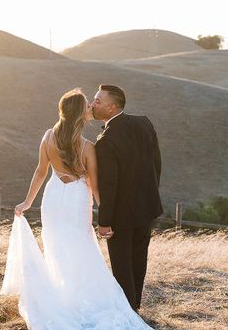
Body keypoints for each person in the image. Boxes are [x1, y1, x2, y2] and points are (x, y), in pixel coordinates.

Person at [0, 88, 151, 329]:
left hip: (53, 198)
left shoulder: (48, 136)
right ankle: (79, 295)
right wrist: (107, 217)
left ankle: (63, 294)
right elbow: (95, 185)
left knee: (56, 246)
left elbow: (40, 172)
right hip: (77, 200)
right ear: (81, 115)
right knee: (81, 245)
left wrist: (28, 202)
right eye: (88, 106)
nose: (92, 107)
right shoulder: (88, 147)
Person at [90, 84, 163, 312]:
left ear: (112, 108)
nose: (92, 104)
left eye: (98, 101)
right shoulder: (144, 122)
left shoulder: (105, 140)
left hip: (121, 215)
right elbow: (156, 164)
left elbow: (108, 185)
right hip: (147, 208)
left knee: (122, 266)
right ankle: (135, 307)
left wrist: (104, 222)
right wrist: (150, 195)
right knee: (139, 261)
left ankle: (128, 314)